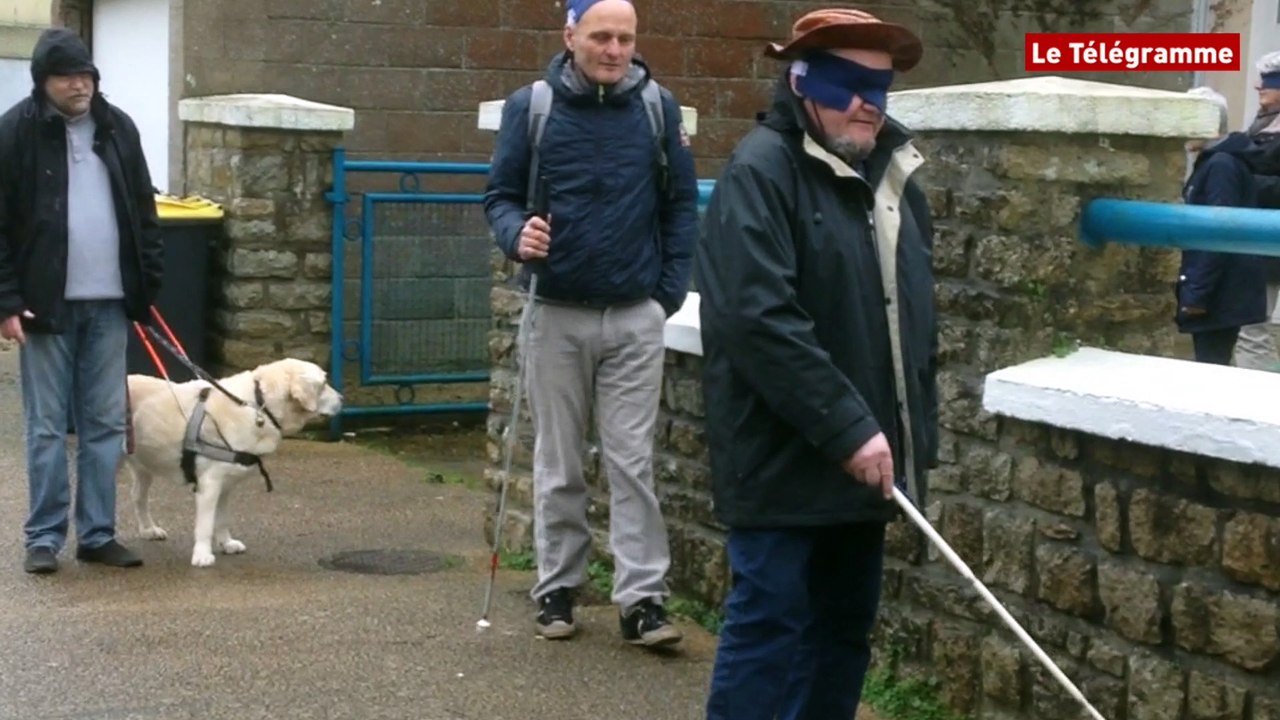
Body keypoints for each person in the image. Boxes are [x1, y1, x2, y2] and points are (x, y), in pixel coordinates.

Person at [694, 7, 938, 718]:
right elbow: (757, 319)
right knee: (769, 631)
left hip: (864, 467)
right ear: (801, 82)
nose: (866, 102)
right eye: (844, 83)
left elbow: (907, 323)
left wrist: (903, 435)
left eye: (879, 86)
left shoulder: (893, 183)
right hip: (781, 460)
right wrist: (846, 428)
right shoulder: (760, 173)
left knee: (842, 634)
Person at [482, 0, 699, 646]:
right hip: (555, 312)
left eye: (625, 38)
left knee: (633, 461)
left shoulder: (658, 109)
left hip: (634, 314)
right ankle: (558, 586)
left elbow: (682, 204)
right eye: (601, 36)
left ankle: (642, 601)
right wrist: (518, 234)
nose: (614, 49)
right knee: (559, 460)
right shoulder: (534, 108)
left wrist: (666, 294)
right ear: (570, 34)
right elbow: (498, 196)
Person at [0, 27, 165, 574]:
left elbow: (145, 209)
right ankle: (43, 538)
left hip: (110, 304)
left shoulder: (118, 130)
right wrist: (6, 300)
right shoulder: (14, 134)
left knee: (105, 425)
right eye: (68, 75)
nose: (81, 84)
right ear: (42, 81)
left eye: (87, 74)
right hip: (45, 306)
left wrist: (147, 283)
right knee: (47, 426)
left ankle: (98, 533)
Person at [1175, 86, 1268, 365]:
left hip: (1221, 293)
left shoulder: (1220, 166)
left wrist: (1196, 295)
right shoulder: (1216, 162)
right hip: (1223, 289)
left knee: (1212, 365)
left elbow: (1217, 229)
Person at [1233, 51, 1280, 370]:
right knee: (1249, 328)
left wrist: (1242, 180)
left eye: (1268, 82)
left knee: (1253, 330)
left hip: (1269, 242)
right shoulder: (1264, 123)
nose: (1257, 86)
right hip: (1254, 241)